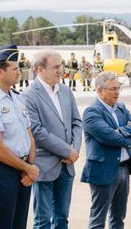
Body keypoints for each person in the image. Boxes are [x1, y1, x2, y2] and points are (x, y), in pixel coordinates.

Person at [0, 45, 39, 229]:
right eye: (14, 68)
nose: (19, 72)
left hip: (22, 169)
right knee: (3, 225)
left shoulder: (17, 97)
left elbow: (30, 137)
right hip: (1, 171)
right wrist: (28, 168)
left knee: (19, 225)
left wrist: (30, 167)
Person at [21, 49, 82, 229]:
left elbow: (77, 122)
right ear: (40, 69)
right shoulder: (29, 95)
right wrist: (67, 150)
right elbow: (37, 131)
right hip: (44, 167)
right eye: (56, 67)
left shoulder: (65, 90)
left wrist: (75, 151)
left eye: (61, 65)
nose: (60, 70)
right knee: (43, 220)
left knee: (62, 218)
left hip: (67, 165)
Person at [81, 71, 131, 229]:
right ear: (100, 91)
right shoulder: (91, 112)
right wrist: (126, 135)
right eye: (112, 89)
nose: (117, 92)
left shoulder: (121, 107)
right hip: (103, 171)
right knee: (98, 220)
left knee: (118, 218)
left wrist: (120, 131)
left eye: (118, 88)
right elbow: (109, 137)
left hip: (123, 170)